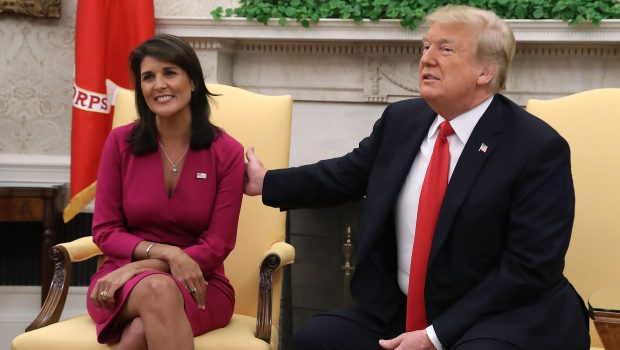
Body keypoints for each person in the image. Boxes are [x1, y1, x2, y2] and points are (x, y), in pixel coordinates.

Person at [245, 5, 589, 350]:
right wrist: (267, 182)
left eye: (445, 48)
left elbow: (529, 268)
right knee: (317, 339)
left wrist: (434, 337)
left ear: (485, 71)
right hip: (404, 310)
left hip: (505, 315)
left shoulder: (536, 147)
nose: (427, 58)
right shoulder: (403, 120)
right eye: (425, 47)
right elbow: (345, 174)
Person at [87, 34, 245, 350]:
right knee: (157, 290)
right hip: (121, 282)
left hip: (201, 282)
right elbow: (105, 231)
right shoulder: (120, 143)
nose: (159, 84)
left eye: (169, 73)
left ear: (193, 81)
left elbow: (217, 245)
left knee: (140, 331)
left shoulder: (227, 152)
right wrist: (167, 254)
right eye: (148, 77)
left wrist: (143, 265)